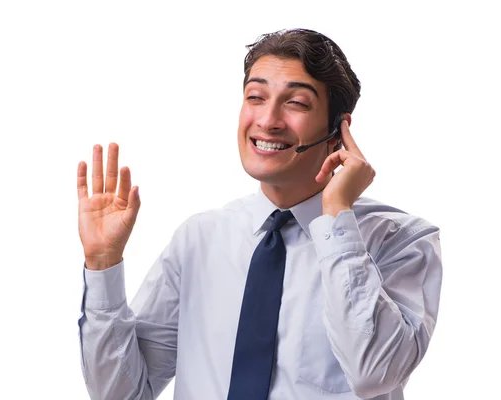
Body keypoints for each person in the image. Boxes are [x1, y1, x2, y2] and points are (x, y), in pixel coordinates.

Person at [76, 28, 442, 400]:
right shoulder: (199, 239)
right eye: (256, 97)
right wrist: (103, 263)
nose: (268, 120)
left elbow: (374, 373)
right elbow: (119, 394)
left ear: (337, 131)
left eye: (296, 103)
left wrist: (337, 218)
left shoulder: (401, 241)